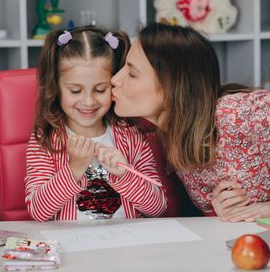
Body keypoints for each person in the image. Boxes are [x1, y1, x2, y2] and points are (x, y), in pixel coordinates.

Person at [110, 23, 270, 222]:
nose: (115, 79)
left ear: (171, 87)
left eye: (132, 73)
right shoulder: (163, 130)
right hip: (251, 237)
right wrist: (219, 207)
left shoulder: (239, 115)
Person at [25, 26, 167, 222]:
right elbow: (38, 211)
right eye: (75, 91)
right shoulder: (47, 139)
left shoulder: (131, 136)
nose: (89, 102)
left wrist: (125, 175)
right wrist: (73, 170)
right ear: (55, 88)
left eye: (100, 90)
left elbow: (158, 207)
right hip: (71, 247)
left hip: (127, 246)